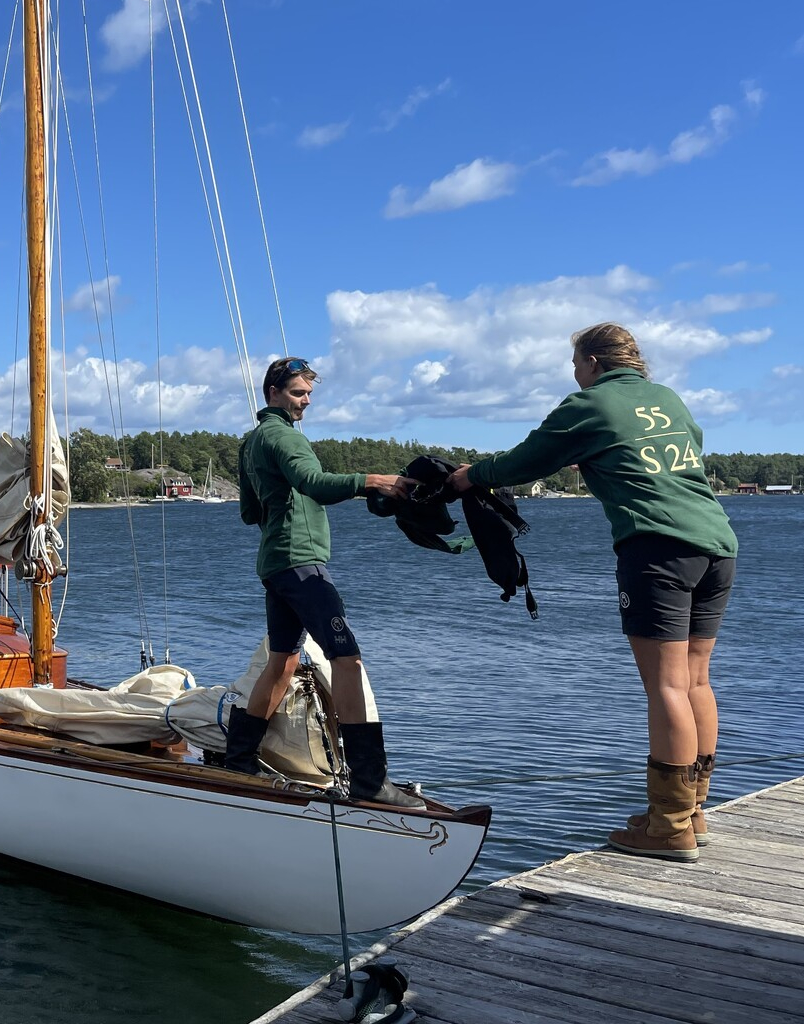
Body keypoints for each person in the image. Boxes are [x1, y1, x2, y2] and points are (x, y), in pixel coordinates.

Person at [448, 323, 737, 862]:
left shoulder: (589, 404)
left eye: (576, 363)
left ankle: (669, 827)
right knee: (696, 678)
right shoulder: (667, 398)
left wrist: (471, 476)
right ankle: (690, 811)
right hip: (718, 544)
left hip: (657, 547)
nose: (575, 373)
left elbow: (527, 460)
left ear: (595, 362)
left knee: (666, 686)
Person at [228, 356, 417, 805]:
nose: (306, 401)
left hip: (275, 564)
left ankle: (238, 761)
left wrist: (283, 506)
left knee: (282, 663)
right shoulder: (284, 436)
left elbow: (250, 512)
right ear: (273, 392)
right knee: (347, 660)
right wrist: (373, 481)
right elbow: (313, 481)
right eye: (298, 393)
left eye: (309, 393)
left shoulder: (251, 442)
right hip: (301, 565)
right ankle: (370, 782)